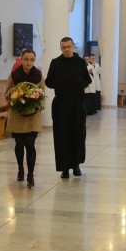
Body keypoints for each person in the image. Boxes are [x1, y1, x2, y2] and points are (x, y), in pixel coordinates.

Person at [45, 37, 91, 179]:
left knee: (78, 134)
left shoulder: (80, 62)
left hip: (77, 104)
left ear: (73, 47)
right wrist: (59, 83)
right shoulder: (55, 63)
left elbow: (86, 80)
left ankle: (76, 165)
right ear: (61, 48)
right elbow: (48, 82)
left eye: (69, 46)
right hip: (61, 105)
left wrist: (77, 84)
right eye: (64, 47)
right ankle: (64, 167)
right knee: (62, 136)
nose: (66, 49)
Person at [5, 49, 44, 188]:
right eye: (26, 59)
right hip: (18, 115)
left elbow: (42, 94)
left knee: (30, 144)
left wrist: (39, 105)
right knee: (19, 144)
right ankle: (21, 169)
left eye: (31, 60)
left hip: (33, 115)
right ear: (21, 60)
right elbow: (7, 93)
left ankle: (31, 174)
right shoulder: (14, 75)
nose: (29, 62)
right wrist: (14, 97)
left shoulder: (38, 74)